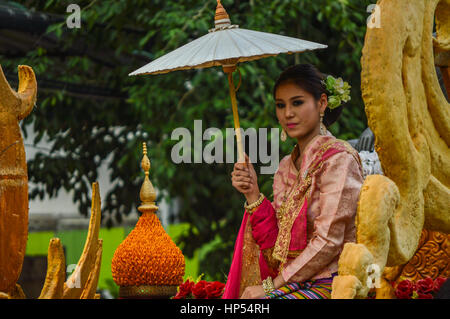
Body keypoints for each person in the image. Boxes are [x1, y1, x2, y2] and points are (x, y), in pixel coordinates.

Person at [224, 64, 365, 299]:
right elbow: (277, 252)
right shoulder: (285, 168)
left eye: (297, 103)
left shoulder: (339, 160)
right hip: (292, 282)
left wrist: (271, 286)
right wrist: (252, 193)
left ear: (321, 103)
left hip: (332, 281)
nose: (287, 113)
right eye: (281, 105)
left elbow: (329, 241)